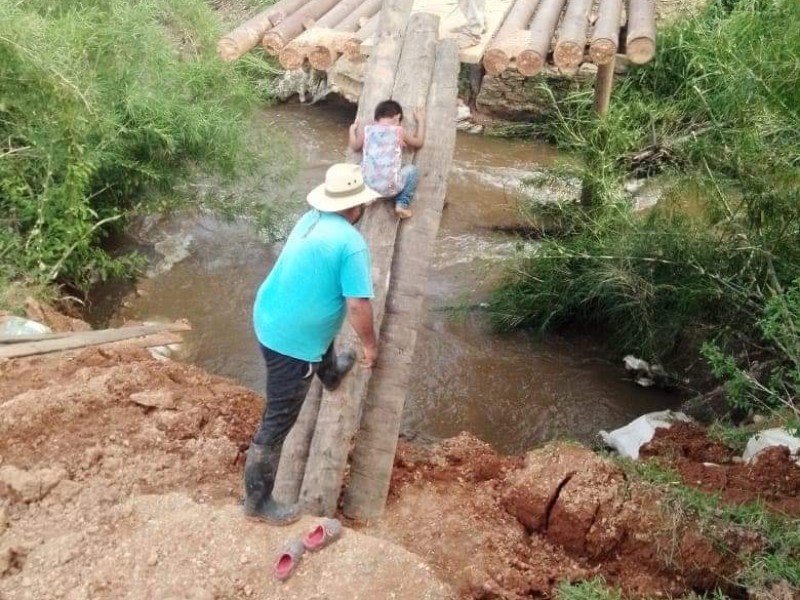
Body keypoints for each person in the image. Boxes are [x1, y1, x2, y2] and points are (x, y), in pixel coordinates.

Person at [245, 163, 381, 525]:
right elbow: (357, 305)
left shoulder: (310, 218)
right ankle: (258, 503)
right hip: (291, 343)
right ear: (356, 208)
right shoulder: (351, 243)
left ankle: (331, 373)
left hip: (270, 314)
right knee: (277, 423)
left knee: (323, 323)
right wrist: (370, 345)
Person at [348, 99, 425, 220]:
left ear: (376, 118)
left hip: (367, 186)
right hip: (391, 188)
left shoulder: (367, 130)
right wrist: (421, 121)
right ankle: (401, 204)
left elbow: (355, 146)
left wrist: (352, 130)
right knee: (412, 170)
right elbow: (418, 143)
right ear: (397, 117)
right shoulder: (399, 131)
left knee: (360, 165)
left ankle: (369, 197)